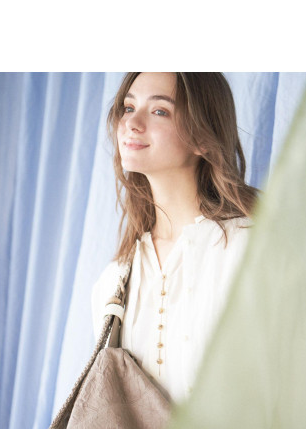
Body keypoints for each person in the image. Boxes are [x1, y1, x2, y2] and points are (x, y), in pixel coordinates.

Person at [91, 72, 258, 404]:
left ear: (203, 138)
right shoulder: (114, 279)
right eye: (128, 108)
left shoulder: (250, 248)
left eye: (159, 111)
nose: (131, 123)